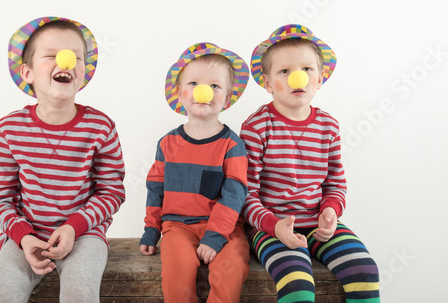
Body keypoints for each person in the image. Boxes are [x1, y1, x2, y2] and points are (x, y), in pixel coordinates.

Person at [0, 16, 126, 303]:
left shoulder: (101, 127)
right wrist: (23, 236)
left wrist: (74, 227)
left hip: (84, 234)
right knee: (1, 296)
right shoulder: (9, 128)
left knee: (80, 295)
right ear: (28, 72)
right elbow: (0, 198)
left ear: (83, 72)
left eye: (75, 57)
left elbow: (112, 190)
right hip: (25, 234)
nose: (65, 62)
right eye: (51, 55)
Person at [241, 24, 380, 302]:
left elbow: (335, 183)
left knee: (365, 271)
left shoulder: (328, 126)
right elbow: (245, 194)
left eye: (306, 69)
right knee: (298, 285)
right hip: (272, 228)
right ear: (267, 82)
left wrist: (330, 210)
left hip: (318, 224)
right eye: (284, 71)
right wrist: (273, 225)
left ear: (320, 78)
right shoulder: (256, 128)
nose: (297, 78)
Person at [139, 43, 250, 302]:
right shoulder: (167, 144)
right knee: (176, 275)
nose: (204, 92)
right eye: (194, 84)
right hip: (177, 227)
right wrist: (152, 229)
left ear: (227, 96)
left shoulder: (232, 145)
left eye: (215, 86)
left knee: (232, 268)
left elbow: (234, 193)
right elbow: (156, 189)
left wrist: (215, 236)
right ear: (180, 94)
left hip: (225, 229)